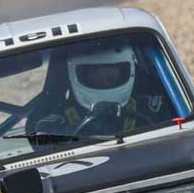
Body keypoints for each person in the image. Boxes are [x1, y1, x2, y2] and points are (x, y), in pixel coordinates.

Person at [27, 41, 170, 139]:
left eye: (111, 75)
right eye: (95, 74)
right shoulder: (51, 125)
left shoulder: (155, 110)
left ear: (129, 71)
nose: (104, 82)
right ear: (74, 74)